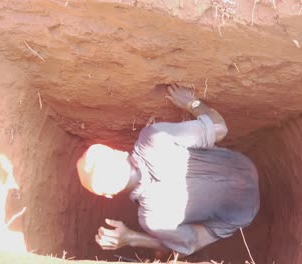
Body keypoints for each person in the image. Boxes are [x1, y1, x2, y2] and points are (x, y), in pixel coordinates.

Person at [76, 84, 260, 256]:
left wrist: (131, 238)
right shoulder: (155, 139)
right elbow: (220, 128)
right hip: (244, 165)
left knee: (197, 235)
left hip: (244, 213)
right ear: (119, 152)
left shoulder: (153, 219)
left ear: (110, 195)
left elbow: (192, 243)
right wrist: (192, 103)